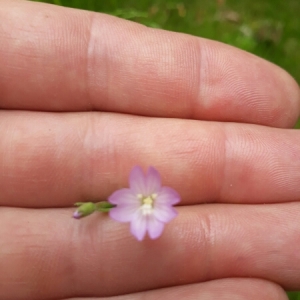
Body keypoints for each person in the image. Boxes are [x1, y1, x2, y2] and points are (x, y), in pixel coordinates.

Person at [0, 0, 299, 299]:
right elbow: (122, 206)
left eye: (147, 201)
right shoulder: (134, 201)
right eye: (146, 200)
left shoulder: (150, 199)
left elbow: (141, 205)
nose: (146, 203)